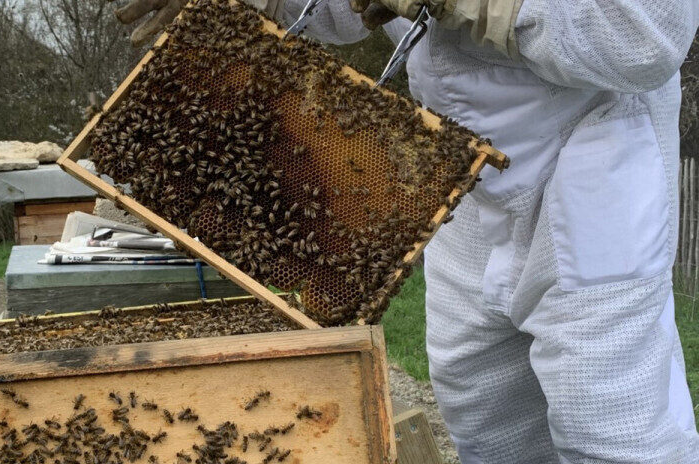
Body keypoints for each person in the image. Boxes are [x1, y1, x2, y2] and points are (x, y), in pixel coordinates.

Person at [114, 0, 699, 461]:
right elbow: (346, 12)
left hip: (590, 164)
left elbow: (644, 34)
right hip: (456, 169)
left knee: (610, 423)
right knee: (482, 413)